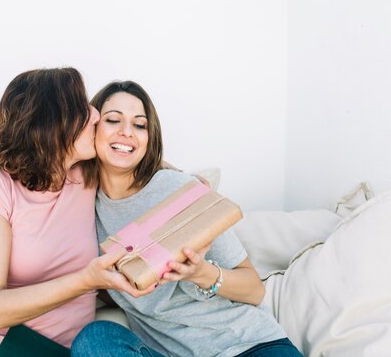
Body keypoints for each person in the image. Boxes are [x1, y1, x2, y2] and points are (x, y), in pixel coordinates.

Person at [73, 81, 303, 357]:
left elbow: (254, 290)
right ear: (93, 128)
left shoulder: (180, 191)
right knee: (94, 339)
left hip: (247, 345)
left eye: (139, 125)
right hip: (167, 352)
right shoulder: (81, 205)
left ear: (150, 137)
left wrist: (201, 273)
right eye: (113, 120)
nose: (126, 132)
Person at [0, 69, 150, 357]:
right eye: (82, 106)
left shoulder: (86, 176)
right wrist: (86, 281)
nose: (96, 115)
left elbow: (137, 159)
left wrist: (189, 186)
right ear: (53, 120)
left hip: (57, 351)